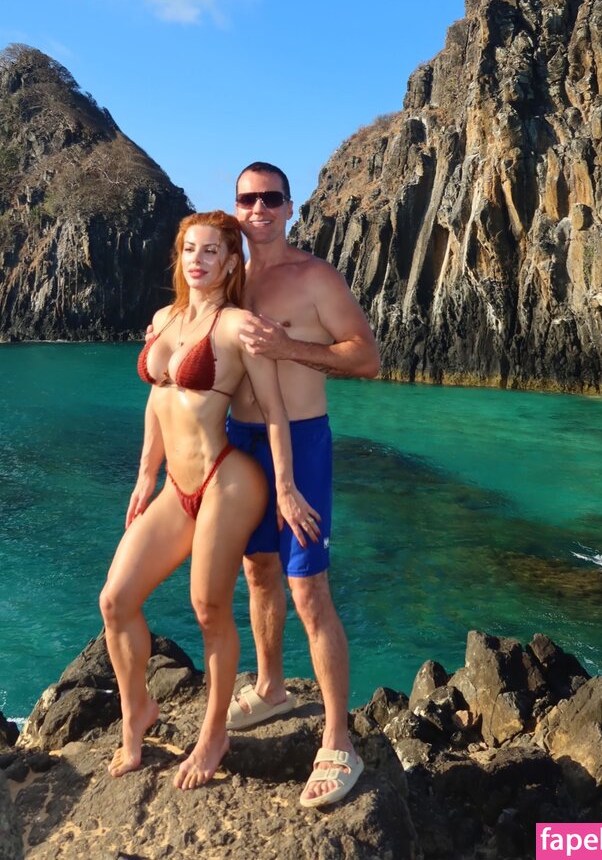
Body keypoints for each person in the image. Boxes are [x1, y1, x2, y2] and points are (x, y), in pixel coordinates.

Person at [99, 210, 308, 789]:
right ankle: (136, 712)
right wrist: (145, 476)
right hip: (176, 486)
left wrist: (286, 486)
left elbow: (274, 411)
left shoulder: (238, 326)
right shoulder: (163, 320)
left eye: (212, 250)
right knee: (115, 600)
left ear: (231, 261)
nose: (198, 259)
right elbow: (157, 402)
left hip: (226, 479)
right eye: (190, 248)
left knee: (208, 607)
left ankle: (214, 734)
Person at [225, 162, 380, 808]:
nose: (258, 209)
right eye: (247, 199)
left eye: (271, 198)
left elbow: (366, 357)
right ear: (236, 208)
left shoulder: (316, 277)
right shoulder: (228, 278)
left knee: (308, 588)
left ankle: (339, 740)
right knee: (258, 570)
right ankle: (270, 687)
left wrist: (291, 350)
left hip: (303, 443)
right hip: (239, 441)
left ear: (290, 208)